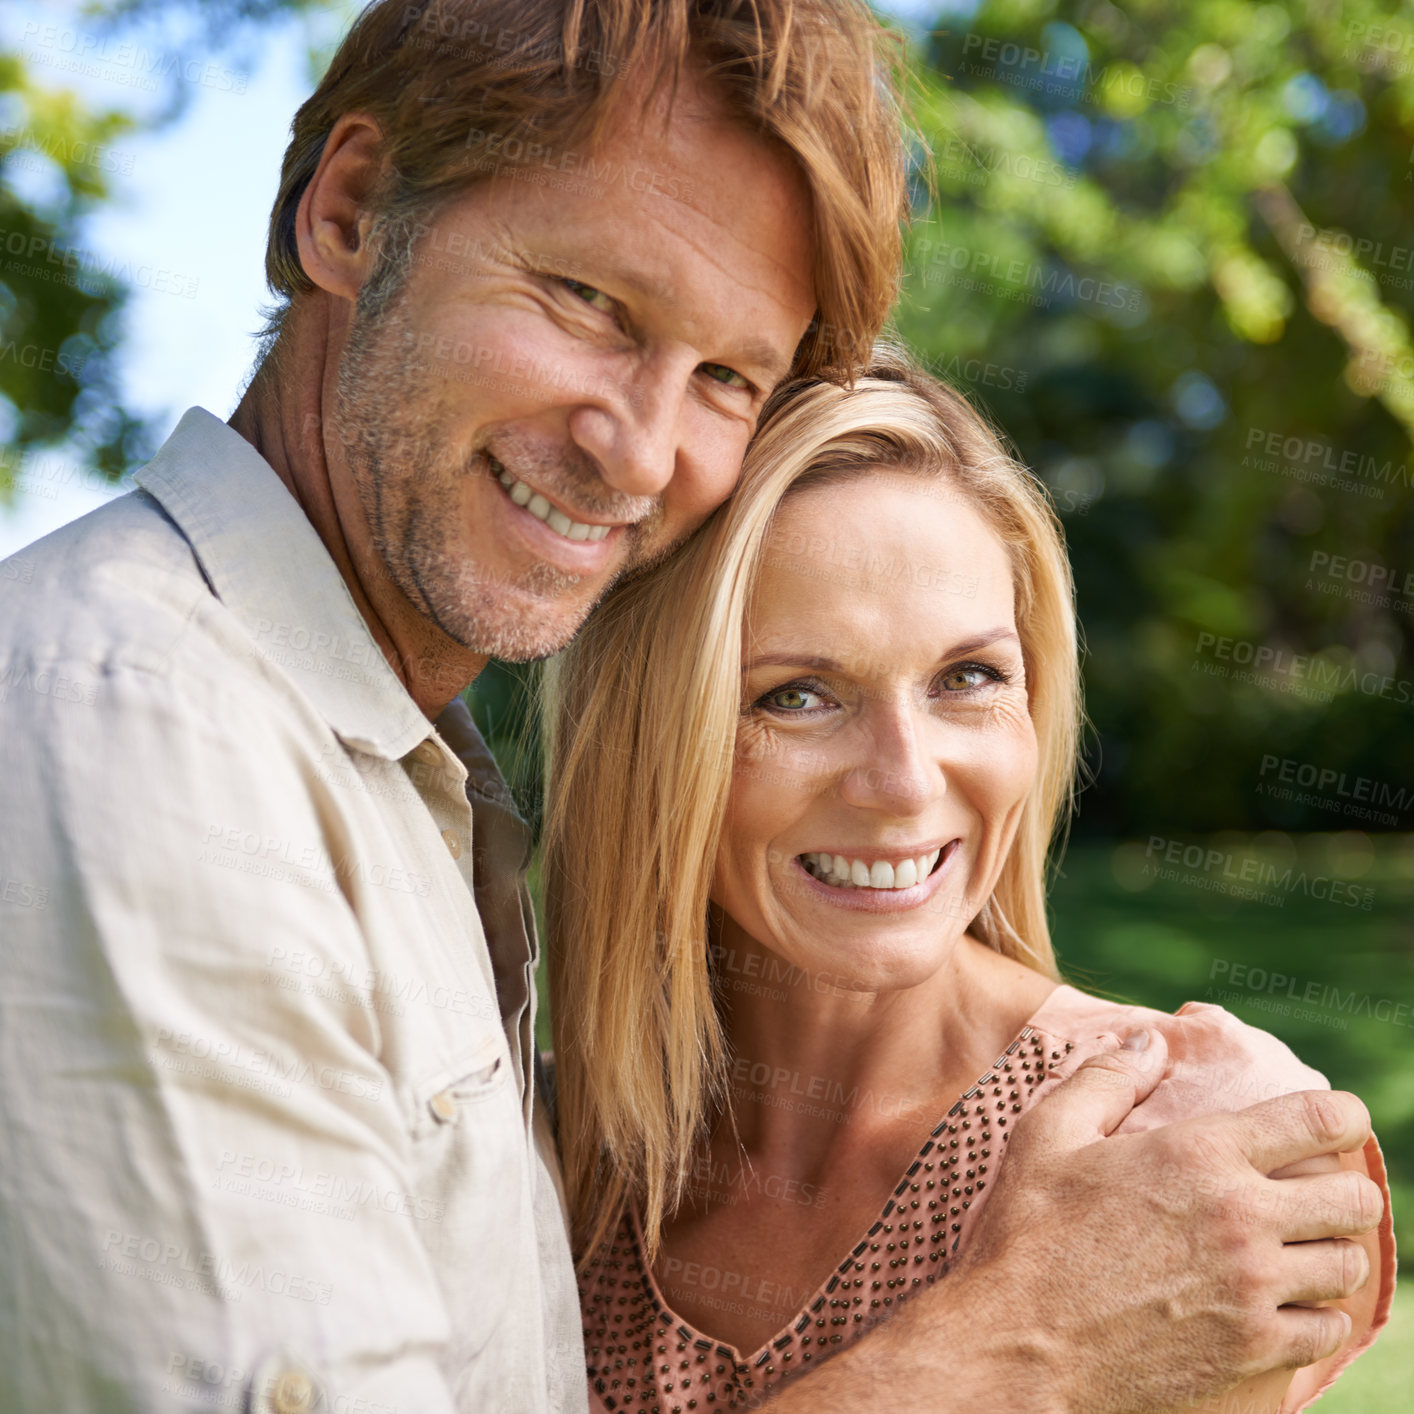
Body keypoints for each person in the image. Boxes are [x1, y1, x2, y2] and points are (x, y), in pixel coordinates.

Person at [0, 1, 1384, 1411]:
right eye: (590, 302)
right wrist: (1020, 1339)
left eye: (727, 373)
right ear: (349, 212)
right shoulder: (140, 732)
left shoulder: (1179, 1151)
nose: (641, 449)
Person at [545, 350, 1396, 1413]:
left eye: (968, 677)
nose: (904, 782)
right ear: (642, 736)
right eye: (796, 694)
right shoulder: (541, 1156)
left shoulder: (1191, 1145)